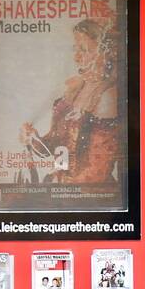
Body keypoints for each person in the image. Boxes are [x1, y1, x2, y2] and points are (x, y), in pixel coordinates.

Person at [20, 18, 124, 189]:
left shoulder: (107, 97)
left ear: (104, 53)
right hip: (64, 192)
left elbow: (97, 172)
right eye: (76, 48)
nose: (76, 57)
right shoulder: (75, 87)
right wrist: (33, 139)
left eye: (84, 50)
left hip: (92, 200)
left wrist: (58, 187)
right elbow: (58, 144)